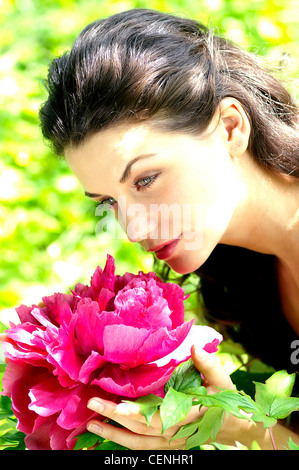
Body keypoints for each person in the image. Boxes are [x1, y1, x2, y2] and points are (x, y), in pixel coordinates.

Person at [29, 8, 299, 449]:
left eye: (146, 179)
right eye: (109, 202)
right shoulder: (232, 273)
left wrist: (240, 428)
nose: (133, 229)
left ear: (230, 127)